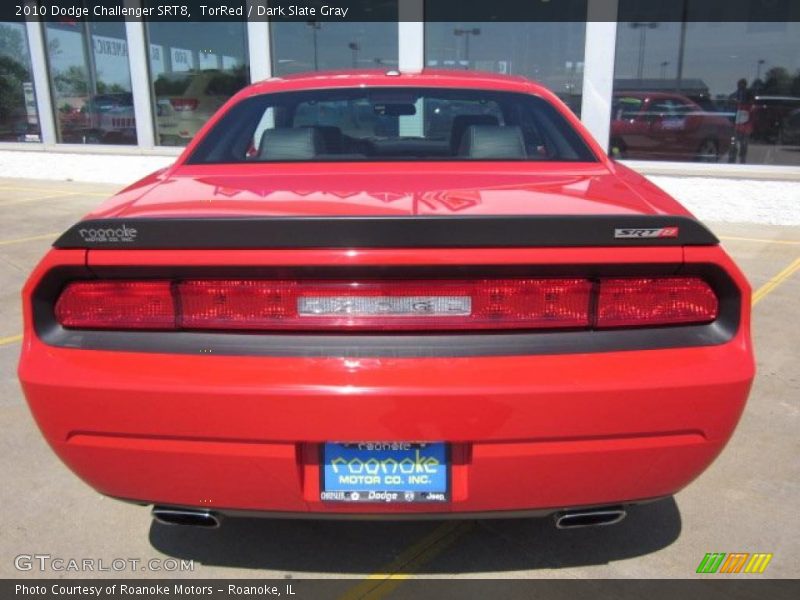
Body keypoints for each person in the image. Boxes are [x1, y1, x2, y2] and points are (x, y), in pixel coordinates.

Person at [729, 78, 754, 163]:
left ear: (745, 85)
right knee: (733, 142)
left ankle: (742, 158)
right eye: (739, 84)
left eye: (742, 84)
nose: (740, 86)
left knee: (744, 142)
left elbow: (751, 105)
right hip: (736, 121)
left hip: (745, 121)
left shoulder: (749, 94)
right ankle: (732, 158)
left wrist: (741, 103)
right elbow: (730, 105)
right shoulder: (734, 95)